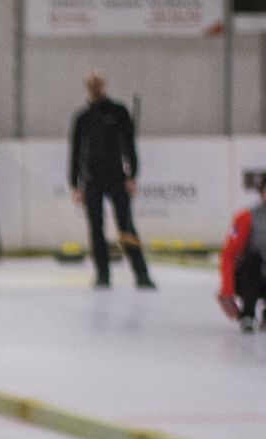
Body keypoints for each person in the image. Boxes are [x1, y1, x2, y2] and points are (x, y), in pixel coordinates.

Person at [70, 72, 155, 290]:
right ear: (87, 88)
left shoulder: (119, 112)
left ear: (104, 86)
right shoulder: (82, 117)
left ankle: (142, 274)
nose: (95, 88)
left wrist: (132, 176)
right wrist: (74, 184)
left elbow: (129, 146)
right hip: (92, 180)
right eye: (91, 85)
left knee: (126, 226)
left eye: (98, 84)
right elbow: (75, 152)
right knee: (96, 228)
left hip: (117, 178)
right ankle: (102, 274)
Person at [218, 159, 266, 334]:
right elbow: (229, 254)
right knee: (253, 259)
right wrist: (227, 291)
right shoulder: (247, 217)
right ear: (262, 193)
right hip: (247, 277)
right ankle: (247, 314)